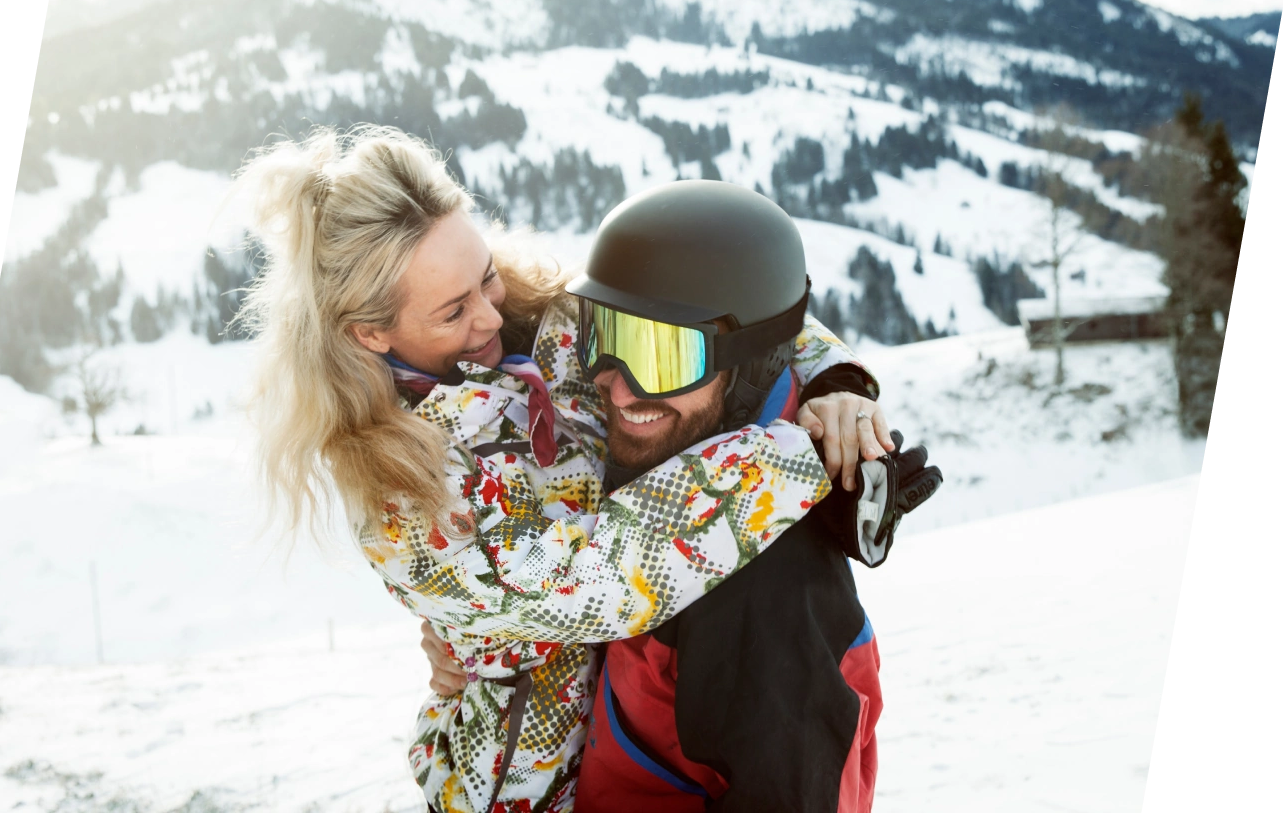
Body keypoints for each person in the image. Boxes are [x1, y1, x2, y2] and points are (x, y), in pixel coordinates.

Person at [237, 126, 894, 813]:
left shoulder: (531, 321)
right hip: (525, 792)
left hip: (634, 738)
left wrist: (835, 387)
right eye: (454, 310)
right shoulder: (402, 495)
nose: (491, 314)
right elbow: (607, 577)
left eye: (484, 273)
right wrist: (802, 456)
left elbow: (714, 312)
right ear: (369, 333)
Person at [425, 181, 943, 812]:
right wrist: (479, 641)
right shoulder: (645, 463)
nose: (617, 391)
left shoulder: (767, 587)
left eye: (663, 360)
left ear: (752, 361)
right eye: (603, 339)